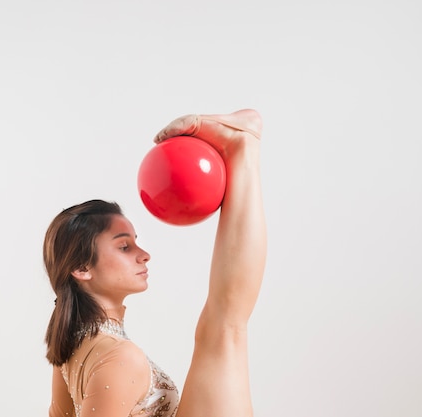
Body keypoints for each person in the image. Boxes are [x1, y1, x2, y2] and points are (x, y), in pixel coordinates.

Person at [43, 108, 267, 417]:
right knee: (223, 329)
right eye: (124, 246)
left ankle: (242, 147)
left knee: (221, 328)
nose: (143, 254)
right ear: (82, 268)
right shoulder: (121, 358)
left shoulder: (69, 351)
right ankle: (243, 149)